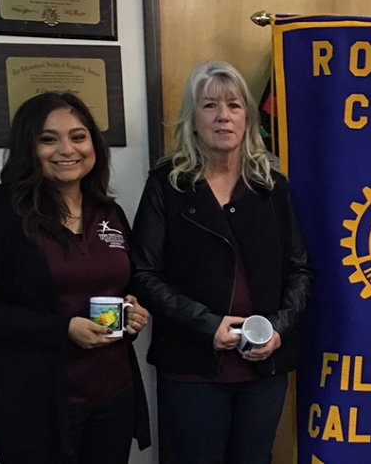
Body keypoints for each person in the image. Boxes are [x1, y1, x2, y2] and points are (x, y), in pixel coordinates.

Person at [0, 92, 152, 464]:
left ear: (93, 143)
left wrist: (133, 311)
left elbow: (125, 284)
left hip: (111, 395)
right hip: (32, 401)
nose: (66, 149)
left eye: (78, 136)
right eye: (48, 138)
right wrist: (62, 329)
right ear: (28, 147)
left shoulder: (107, 211)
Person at [131, 60, 314, 464]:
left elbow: (300, 270)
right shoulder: (167, 185)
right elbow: (144, 274)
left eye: (233, 105)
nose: (223, 117)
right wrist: (206, 325)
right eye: (209, 106)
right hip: (192, 365)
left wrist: (279, 330)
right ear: (192, 120)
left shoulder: (272, 187)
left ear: (248, 118)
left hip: (264, 367)